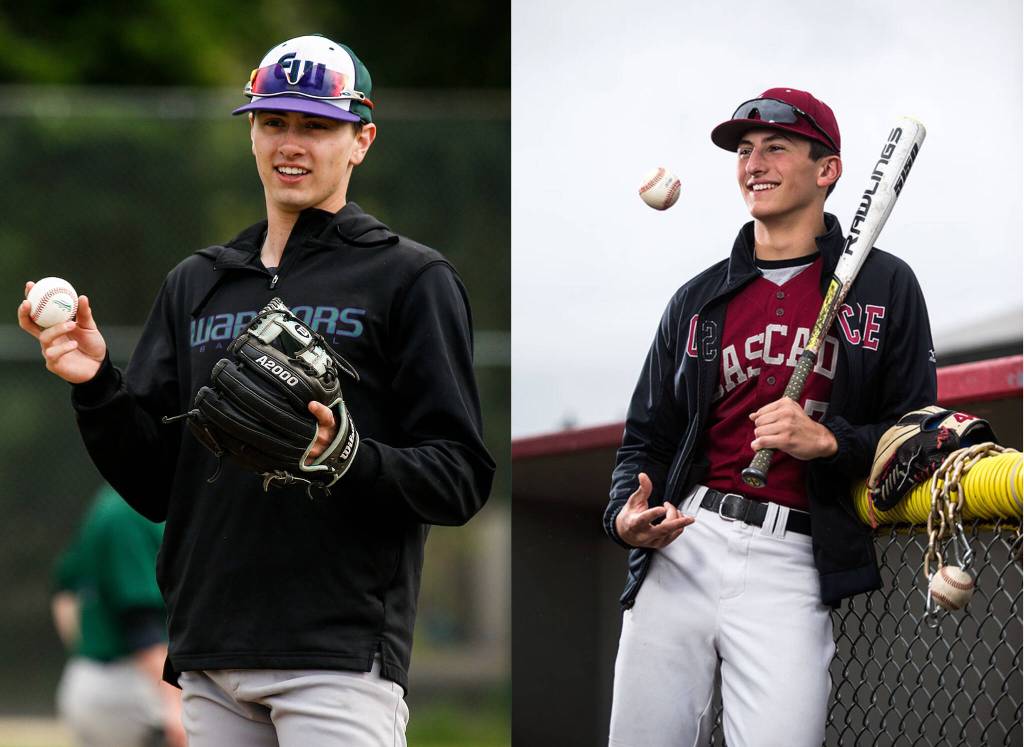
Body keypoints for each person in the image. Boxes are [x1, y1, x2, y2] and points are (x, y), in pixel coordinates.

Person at [20, 34, 494, 747]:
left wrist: (351, 455)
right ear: (251, 132)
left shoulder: (408, 279)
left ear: (361, 139)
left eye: (316, 124)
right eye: (274, 122)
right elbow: (157, 483)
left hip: (337, 656)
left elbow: (461, 476)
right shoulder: (198, 282)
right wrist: (98, 385)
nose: (290, 143)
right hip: (211, 653)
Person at [603, 88, 936, 747]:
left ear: (827, 170)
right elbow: (645, 437)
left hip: (795, 557)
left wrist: (828, 441)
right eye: (744, 150)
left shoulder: (886, 287)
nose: (754, 163)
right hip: (683, 545)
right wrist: (623, 516)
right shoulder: (697, 301)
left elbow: (921, 433)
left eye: (776, 148)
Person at [51, 483, 185, 747]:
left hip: (104, 676)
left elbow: (65, 591)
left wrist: (85, 645)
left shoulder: (111, 500)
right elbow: (140, 624)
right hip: (130, 680)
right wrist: (174, 704)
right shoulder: (130, 511)